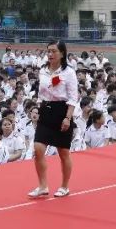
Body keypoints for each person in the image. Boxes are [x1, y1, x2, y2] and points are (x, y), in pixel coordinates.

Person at [29, 40, 79, 198]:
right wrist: (37, 108)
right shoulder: (43, 70)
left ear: (62, 53)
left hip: (62, 111)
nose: (50, 54)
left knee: (63, 152)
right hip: (46, 110)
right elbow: (40, 93)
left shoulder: (69, 72)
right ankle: (43, 186)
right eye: (48, 51)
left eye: (53, 51)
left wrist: (67, 118)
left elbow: (73, 97)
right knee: (38, 149)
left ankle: (65, 186)